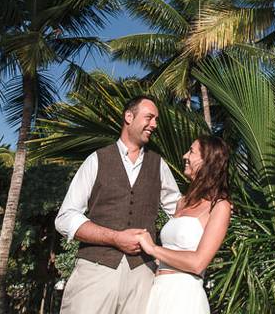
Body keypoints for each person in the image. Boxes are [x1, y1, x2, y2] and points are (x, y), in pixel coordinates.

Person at [54, 96, 182, 314]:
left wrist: (211, 200)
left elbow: (179, 210)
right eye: (149, 118)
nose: (154, 125)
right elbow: (65, 218)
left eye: (156, 120)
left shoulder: (159, 164)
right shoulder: (96, 159)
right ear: (129, 117)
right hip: (95, 271)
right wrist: (115, 238)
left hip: (142, 274)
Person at [137, 136, 232, 314]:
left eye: (191, 151)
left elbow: (198, 262)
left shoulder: (220, 207)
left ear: (208, 161)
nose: (184, 156)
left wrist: (153, 248)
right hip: (157, 291)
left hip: (184, 296)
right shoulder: (181, 203)